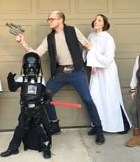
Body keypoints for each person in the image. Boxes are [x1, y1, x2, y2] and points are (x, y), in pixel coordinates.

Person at [15, 10, 105, 145]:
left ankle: (98, 128)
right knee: (44, 96)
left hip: (77, 72)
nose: (49, 21)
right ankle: (54, 125)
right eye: (48, 19)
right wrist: (23, 43)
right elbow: (37, 53)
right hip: (60, 74)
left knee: (87, 99)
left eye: (52, 19)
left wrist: (96, 62)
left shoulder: (73, 31)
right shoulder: (49, 38)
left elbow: (88, 45)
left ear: (60, 20)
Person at [85, 14, 131, 134]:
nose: (96, 21)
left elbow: (108, 58)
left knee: (111, 97)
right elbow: (86, 52)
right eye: (95, 19)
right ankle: (97, 125)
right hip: (96, 71)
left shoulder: (108, 38)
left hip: (107, 71)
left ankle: (122, 124)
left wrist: (92, 51)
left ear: (104, 24)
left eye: (99, 20)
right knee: (95, 97)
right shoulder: (91, 36)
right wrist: (93, 64)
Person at [0, 52, 52, 159]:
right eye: (28, 67)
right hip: (25, 110)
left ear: (38, 67)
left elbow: (45, 93)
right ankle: (13, 148)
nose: (31, 70)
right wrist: (10, 80)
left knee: (41, 129)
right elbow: (13, 88)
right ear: (24, 67)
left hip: (38, 110)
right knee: (20, 129)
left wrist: (46, 98)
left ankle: (46, 148)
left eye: (34, 67)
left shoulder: (40, 79)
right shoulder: (22, 78)